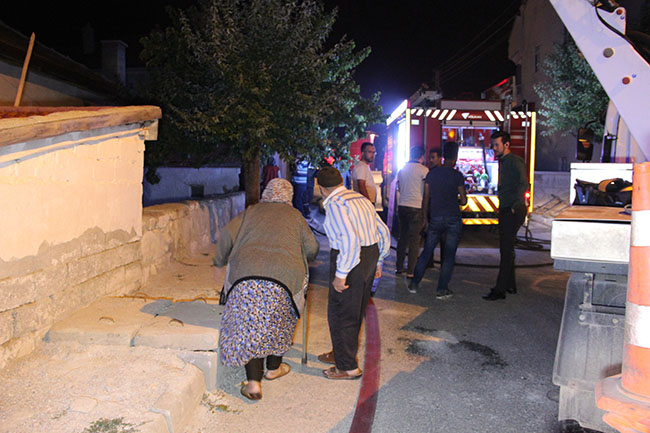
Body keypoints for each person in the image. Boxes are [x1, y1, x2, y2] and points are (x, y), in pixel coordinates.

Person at [214, 178, 319, 400]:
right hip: (284, 277)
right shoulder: (295, 216)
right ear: (289, 196)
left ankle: (253, 384)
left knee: (249, 325)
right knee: (280, 320)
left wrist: (219, 261)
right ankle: (273, 369)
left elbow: (226, 235)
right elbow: (312, 248)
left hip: (245, 274)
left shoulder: (251, 211)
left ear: (266, 193)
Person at [315, 166, 390, 380]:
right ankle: (341, 353)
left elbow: (348, 240)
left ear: (322, 188)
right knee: (354, 310)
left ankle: (347, 367)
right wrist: (378, 261)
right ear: (341, 182)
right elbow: (383, 231)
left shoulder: (335, 204)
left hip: (351, 259)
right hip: (369, 254)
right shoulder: (360, 198)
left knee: (341, 313)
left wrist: (341, 274)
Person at [408, 142, 467, 299]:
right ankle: (441, 289)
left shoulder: (432, 174)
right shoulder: (457, 175)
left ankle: (414, 283)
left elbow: (426, 198)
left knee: (427, 251)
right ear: (455, 157)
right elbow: (463, 201)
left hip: (435, 218)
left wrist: (425, 218)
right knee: (449, 255)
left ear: (443, 156)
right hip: (453, 218)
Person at [483, 131, 528, 301]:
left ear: (507, 144)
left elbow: (523, 183)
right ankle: (510, 285)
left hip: (512, 210)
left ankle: (500, 290)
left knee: (506, 250)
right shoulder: (505, 162)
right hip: (507, 208)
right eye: (493, 145)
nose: (494, 148)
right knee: (507, 249)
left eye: (497, 145)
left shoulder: (515, 161)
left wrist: (515, 205)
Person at [395, 146, 428, 278]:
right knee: (414, 240)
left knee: (402, 238)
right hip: (416, 207)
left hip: (402, 206)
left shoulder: (402, 170)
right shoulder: (424, 170)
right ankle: (411, 271)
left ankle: (399, 267)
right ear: (422, 156)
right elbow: (426, 191)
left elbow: (399, 188)